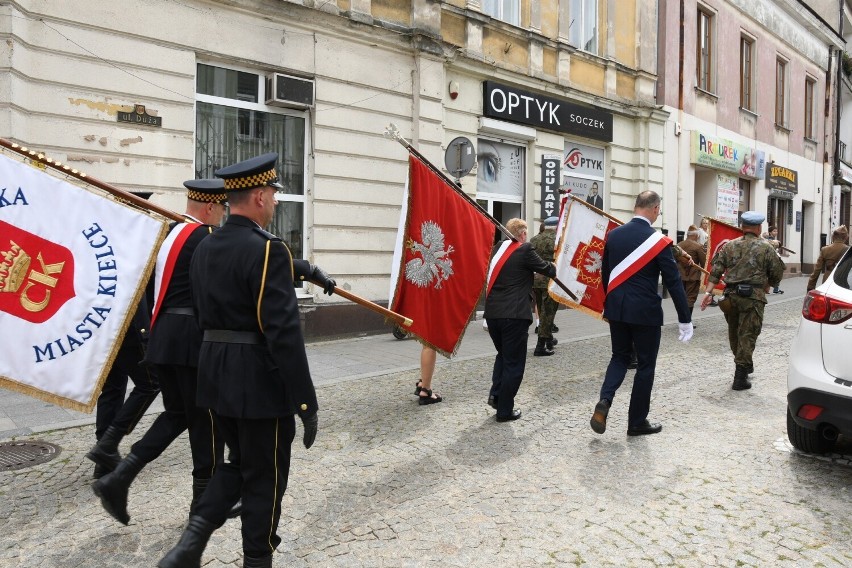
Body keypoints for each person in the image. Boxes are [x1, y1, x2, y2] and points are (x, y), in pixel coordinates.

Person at [158, 153, 336, 568]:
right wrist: (305, 403)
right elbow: (284, 335)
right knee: (266, 479)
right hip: (258, 382)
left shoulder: (206, 243)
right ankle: (257, 560)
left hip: (215, 374)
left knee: (238, 465)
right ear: (258, 196)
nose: (275, 203)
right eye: (273, 195)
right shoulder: (270, 250)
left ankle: (191, 542)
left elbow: (203, 316)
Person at [92, 179, 233, 526]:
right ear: (212, 207)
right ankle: (204, 507)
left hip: (163, 339)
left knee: (178, 415)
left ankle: (118, 476)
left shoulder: (169, 232)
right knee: (207, 422)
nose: (223, 217)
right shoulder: (206, 238)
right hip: (190, 343)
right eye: (222, 210)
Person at [589, 191, 693, 437]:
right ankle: (636, 421)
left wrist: (611, 303)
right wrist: (684, 318)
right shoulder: (658, 241)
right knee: (645, 365)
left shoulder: (613, 235)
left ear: (636, 207)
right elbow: (674, 282)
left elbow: (606, 275)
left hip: (617, 308)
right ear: (655, 209)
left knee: (619, 358)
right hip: (645, 312)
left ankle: (605, 400)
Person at [700, 211, 785, 391]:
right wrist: (769, 284)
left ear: (742, 227)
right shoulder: (766, 247)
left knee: (734, 333)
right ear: (759, 228)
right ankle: (740, 377)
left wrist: (708, 293)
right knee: (748, 334)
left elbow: (715, 271)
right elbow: (777, 273)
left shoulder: (729, 246)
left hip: (731, 297)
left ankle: (744, 364)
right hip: (753, 297)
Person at [485, 218, 556, 422]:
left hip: (493, 314)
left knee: (503, 356)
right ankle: (505, 410)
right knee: (514, 363)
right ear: (522, 234)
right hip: (514, 315)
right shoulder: (524, 250)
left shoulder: (498, 249)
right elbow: (548, 269)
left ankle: (496, 395)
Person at [85, 299, 160, 478]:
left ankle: (103, 460)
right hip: (127, 320)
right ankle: (107, 446)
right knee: (150, 384)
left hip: (102, 320)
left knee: (113, 387)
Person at [529, 216, 560, 356]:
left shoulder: (534, 239)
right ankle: (540, 345)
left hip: (536, 280)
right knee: (549, 313)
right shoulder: (558, 240)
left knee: (542, 311)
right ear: (556, 226)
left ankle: (548, 339)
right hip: (551, 280)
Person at [676, 225, 707, 321]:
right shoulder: (698, 246)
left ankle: (682, 319)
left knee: (681, 298)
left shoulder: (679, 245)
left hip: (679, 276)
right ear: (697, 235)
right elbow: (704, 263)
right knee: (690, 298)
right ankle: (687, 321)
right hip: (692, 277)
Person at [806, 225, 849, 291]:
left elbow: (817, 270)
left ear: (833, 236)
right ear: (845, 237)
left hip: (827, 280)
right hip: (842, 281)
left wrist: (810, 286)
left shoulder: (825, 249)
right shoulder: (848, 250)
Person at [762, 226, 784, 293]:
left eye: (776, 231)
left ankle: (775, 288)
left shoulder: (773, 239)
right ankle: (771, 288)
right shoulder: (770, 240)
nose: (776, 232)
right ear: (770, 232)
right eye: (774, 231)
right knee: (775, 272)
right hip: (771, 258)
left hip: (773, 258)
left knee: (774, 273)